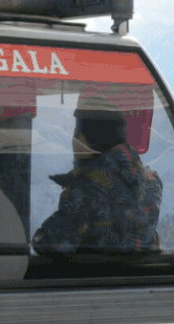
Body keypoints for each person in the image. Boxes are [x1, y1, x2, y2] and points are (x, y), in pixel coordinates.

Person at [33, 108, 162, 254]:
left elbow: (49, 243)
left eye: (76, 134)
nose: (73, 141)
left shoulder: (85, 190)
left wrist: (37, 238)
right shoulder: (151, 182)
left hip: (95, 268)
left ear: (87, 141)